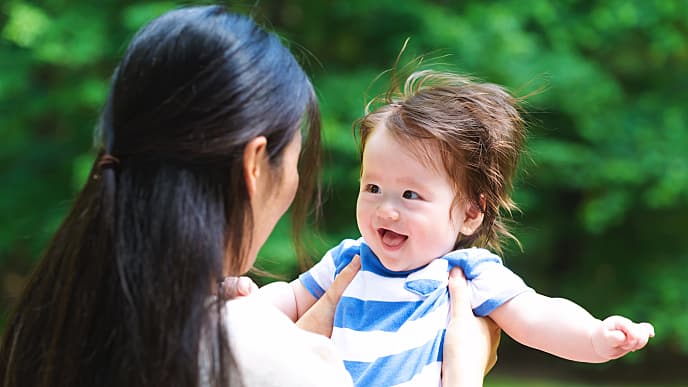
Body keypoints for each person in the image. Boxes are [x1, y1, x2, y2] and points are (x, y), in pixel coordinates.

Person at [0, 6, 498, 387]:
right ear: (255, 165)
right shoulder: (262, 358)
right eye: (294, 161)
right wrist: (463, 370)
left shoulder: (49, 326)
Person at [260, 69, 655, 386]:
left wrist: (594, 337)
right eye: (373, 188)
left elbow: (538, 317)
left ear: (469, 213)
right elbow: (291, 298)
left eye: (411, 195)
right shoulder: (348, 260)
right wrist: (238, 306)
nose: (386, 210)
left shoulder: (466, 273)